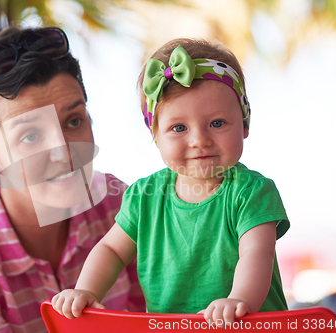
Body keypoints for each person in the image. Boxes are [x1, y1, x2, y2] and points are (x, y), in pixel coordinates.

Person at [0, 26, 145, 333]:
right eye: (31, 135)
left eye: (74, 121)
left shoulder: (120, 205)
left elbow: (161, 315)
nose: (64, 154)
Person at [52, 38, 290, 327]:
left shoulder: (251, 191)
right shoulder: (145, 196)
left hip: (246, 325)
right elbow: (111, 250)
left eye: (217, 123)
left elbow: (256, 252)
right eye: (179, 128)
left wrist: (239, 298)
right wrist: (86, 290)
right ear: (156, 136)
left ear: (244, 123)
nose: (199, 140)